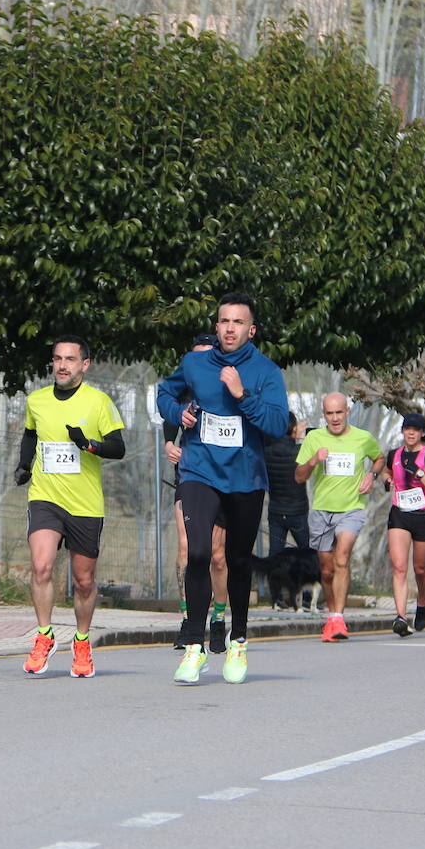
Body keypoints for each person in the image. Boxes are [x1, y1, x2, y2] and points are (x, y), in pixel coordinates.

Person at [157, 292, 289, 684]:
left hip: (245, 478)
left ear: (251, 330)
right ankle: (195, 648)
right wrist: (176, 412)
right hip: (199, 470)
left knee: (237, 560)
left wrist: (241, 396)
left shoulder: (266, 372)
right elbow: (164, 392)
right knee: (197, 553)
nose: (230, 328)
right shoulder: (195, 363)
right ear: (216, 326)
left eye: (238, 322)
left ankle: (239, 640)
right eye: (224, 321)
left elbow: (278, 424)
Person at [14, 336, 126, 678]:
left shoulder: (98, 402)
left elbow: (118, 447)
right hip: (45, 495)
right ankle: (45, 635)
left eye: (70, 360)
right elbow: (31, 434)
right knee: (42, 566)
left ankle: (81, 641)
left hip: (85, 503)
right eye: (57, 359)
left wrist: (89, 445)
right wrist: (23, 464)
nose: (62, 365)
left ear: (84, 365)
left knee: (83, 581)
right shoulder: (37, 400)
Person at [295, 393, 384, 639]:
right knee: (326, 570)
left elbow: (379, 458)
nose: (335, 418)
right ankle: (332, 615)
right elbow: (299, 477)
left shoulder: (362, 438)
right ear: (324, 415)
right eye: (329, 413)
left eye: (339, 412)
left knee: (342, 558)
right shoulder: (314, 438)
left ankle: (338, 619)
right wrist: (314, 460)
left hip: (352, 509)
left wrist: (372, 476)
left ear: (348, 412)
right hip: (322, 511)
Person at [164, 334, 229, 651]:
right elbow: (169, 412)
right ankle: (189, 620)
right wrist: (168, 444)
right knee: (187, 547)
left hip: (223, 478)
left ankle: (218, 618)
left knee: (217, 557)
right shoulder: (185, 386)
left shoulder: (227, 388)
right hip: (190, 475)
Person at [381, 412, 425, 636]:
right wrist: (387, 479)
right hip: (400, 514)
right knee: (399, 567)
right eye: (407, 428)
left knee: (419, 568)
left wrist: (421, 476)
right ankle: (400, 617)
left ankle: (422, 600)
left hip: (424, 516)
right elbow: (387, 470)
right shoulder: (394, 454)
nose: (410, 433)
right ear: (402, 431)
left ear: (421, 433)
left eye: (415, 430)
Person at [264, 413, 310, 556]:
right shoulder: (300, 451)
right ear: (294, 429)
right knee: (308, 552)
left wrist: (292, 434)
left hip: (276, 512)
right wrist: (299, 436)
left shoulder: (266, 450)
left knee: (274, 556)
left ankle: (273, 579)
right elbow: (318, 441)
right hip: (297, 512)